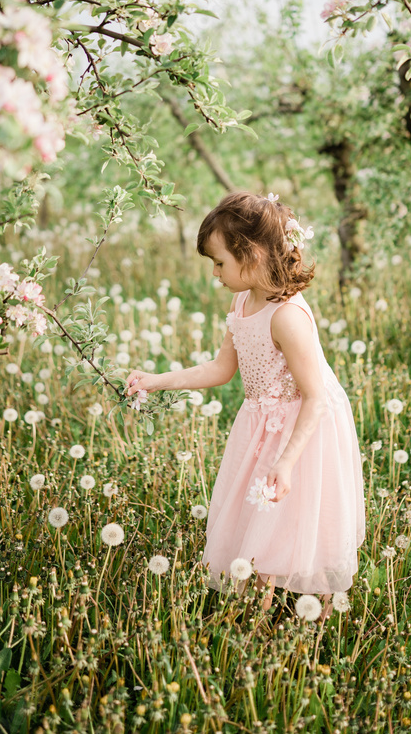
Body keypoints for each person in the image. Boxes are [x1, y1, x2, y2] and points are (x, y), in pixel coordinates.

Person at [125, 190, 366, 623]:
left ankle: (321, 617)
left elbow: (314, 397)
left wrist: (288, 460)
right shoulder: (241, 301)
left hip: (304, 430)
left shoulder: (288, 317)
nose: (215, 273)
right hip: (261, 423)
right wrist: (156, 381)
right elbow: (221, 368)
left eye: (219, 262)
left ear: (251, 256)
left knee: (306, 519)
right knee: (258, 518)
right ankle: (256, 617)